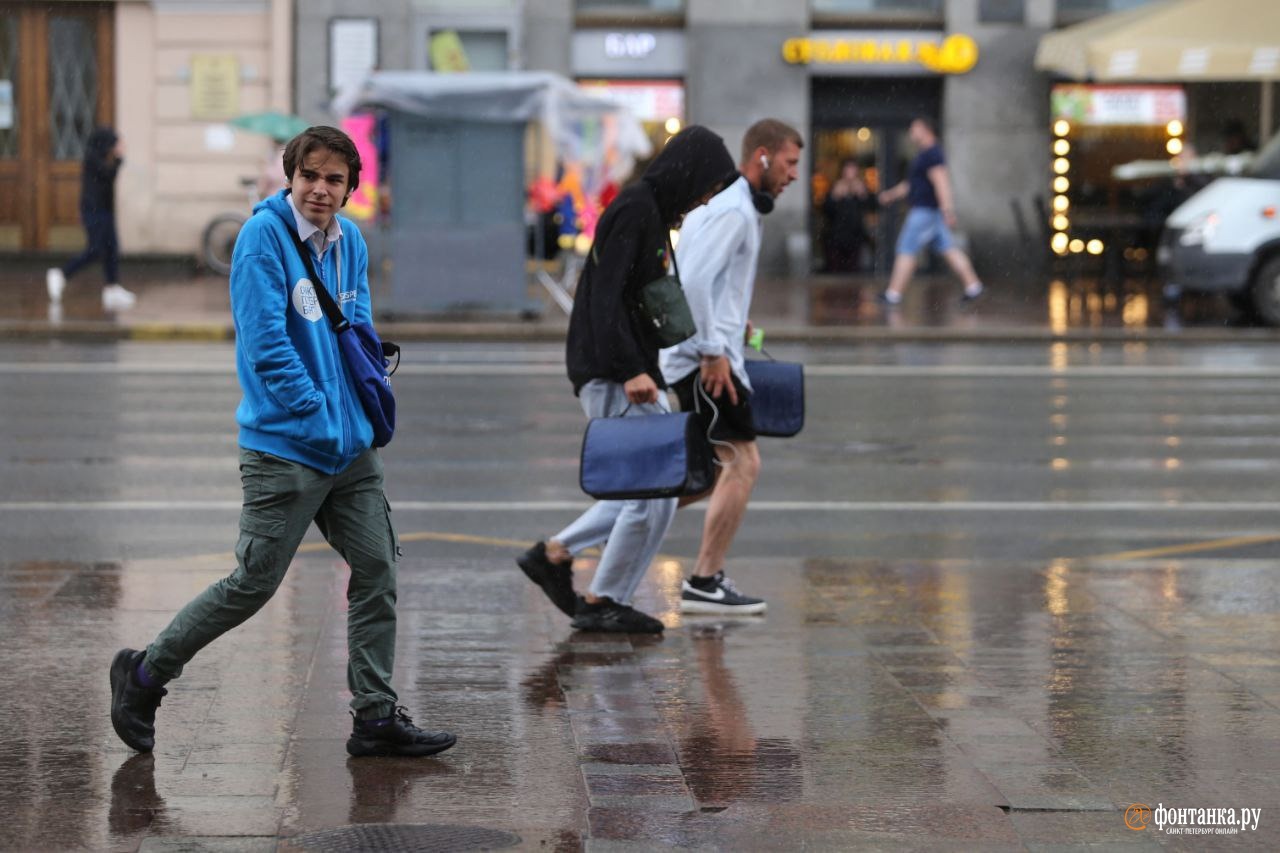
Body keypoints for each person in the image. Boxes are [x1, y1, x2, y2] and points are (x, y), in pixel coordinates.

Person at [108, 126, 456, 759]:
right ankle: (143, 675)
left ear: (351, 189)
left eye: (334, 179)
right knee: (253, 584)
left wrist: (360, 402)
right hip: (287, 448)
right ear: (290, 178)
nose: (320, 189)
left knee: (376, 570)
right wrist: (317, 410)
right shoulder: (261, 238)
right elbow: (265, 343)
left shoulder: (349, 241)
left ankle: (375, 717)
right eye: (310, 176)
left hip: (351, 450)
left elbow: (360, 322)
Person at [516, 125, 737, 634]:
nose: (705, 199)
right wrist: (632, 368)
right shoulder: (636, 209)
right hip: (614, 370)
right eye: (707, 186)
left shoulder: (650, 211)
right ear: (689, 172)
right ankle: (598, 597)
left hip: (628, 367)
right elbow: (605, 295)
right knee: (649, 490)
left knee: (653, 487)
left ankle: (562, 561)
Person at [660, 118, 803, 615]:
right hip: (703, 362)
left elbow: (711, 284)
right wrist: (713, 352)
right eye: (789, 163)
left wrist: (735, 323)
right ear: (761, 156)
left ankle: (589, 535)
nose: (794, 175)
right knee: (742, 463)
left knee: (695, 477)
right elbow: (695, 284)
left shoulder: (730, 207)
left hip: (703, 352)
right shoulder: (735, 212)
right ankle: (704, 579)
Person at [877, 117, 983, 306]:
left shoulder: (932, 154)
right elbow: (911, 185)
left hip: (924, 212)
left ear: (926, 130)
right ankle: (974, 286)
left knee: (906, 249)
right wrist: (890, 195)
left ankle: (893, 294)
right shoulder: (924, 155)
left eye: (914, 128)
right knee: (949, 249)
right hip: (930, 213)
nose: (911, 132)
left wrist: (948, 211)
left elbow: (941, 182)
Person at [46, 126, 137, 311]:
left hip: (105, 210)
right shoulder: (93, 158)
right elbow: (107, 175)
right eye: (115, 143)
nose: (118, 146)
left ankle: (112, 289)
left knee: (112, 248)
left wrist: (117, 159)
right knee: (95, 249)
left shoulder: (101, 157)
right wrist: (119, 159)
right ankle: (61, 274)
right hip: (93, 211)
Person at [822, 158, 875, 273]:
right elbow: (826, 209)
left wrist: (862, 195)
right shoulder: (836, 186)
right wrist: (835, 196)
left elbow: (871, 205)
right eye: (848, 169)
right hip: (836, 236)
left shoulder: (861, 187)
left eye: (853, 169)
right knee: (835, 270)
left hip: (855, 236)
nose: (850, 173)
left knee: (853, 270)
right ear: (843, 171)